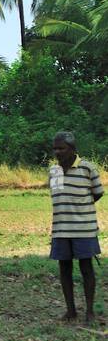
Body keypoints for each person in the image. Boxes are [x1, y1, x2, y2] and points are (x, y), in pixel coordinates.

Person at [50, 131, 103, 325]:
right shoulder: (54, 171)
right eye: (55, 148)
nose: (57, 152)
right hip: (61, 230)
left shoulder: (88, 168)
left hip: (84, 230)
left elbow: (97, 193)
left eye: (61, 148)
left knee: (86, 268)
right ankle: (70, 310)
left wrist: (81, 210)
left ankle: (89, 311)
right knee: (64, 269)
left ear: (72, 149)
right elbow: (58, 198)